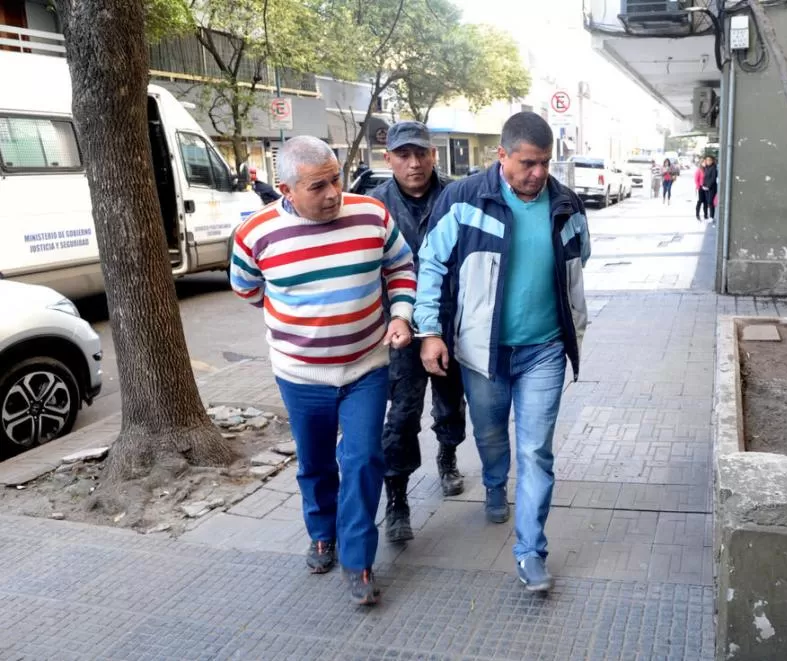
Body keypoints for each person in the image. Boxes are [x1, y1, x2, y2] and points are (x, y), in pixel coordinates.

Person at [229, 135, 416, 606]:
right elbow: (248, 290)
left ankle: (358, 559)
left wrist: (400, 314)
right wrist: (300, 324)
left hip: (366, 367)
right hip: (300, 376)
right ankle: (321, 534)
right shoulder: (255, 234)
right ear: (286, 189)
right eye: (318, 186)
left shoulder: (371, 215)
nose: (333, 193)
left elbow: (400, 266)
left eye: (336, 179)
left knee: (363, 460)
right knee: (314, 462)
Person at [414, 112, 590, 592]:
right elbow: (429, 264)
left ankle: (531, 551)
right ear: (502, 156)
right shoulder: (466, 199)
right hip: (484, 352)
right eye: (528, 163)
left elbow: (580, 258)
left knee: (535, 450)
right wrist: (429, 331)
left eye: (545, 163)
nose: (538, 173)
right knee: (491, 435)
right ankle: (494, 483)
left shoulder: (566, 203)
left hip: (545, 350)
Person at [369, 121, 466, 544]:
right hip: (400, 330)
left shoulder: (456, 197)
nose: (414, 164)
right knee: (402, 415)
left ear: (434, 156)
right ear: (388, 158)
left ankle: (447, 455)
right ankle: (398, 499)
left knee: (450, 402)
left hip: (449, 324)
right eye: (404, 155)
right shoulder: (372, 207)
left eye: (421, 154)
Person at [703, 155, 718, 222]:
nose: (708, 161)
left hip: (712, 188)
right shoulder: (706, 168)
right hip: (705, 188)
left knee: (710, 202)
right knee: (707, 202)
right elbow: (705, 178)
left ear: (712, 161)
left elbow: (713, 178)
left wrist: (708, 186)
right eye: (707, 160)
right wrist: (704, 185)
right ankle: (710, 216)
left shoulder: (714, 168)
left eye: (709, 160)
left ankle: (712, 216)